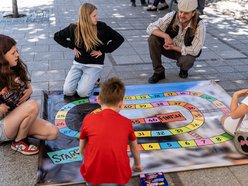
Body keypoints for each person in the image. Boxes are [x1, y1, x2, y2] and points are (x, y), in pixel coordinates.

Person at [0, 34, 59, 155]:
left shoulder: (15, 67)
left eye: (17, 51)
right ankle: (19, 142)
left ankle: (18, 134)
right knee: (33, 105)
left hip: (18, 118)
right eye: (13, 53)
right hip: (3, 125)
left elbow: (25, 82)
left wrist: (30, 89)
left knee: (53, 132)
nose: (17, 55)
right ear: (2, 57)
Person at [79, 77, 143, 185]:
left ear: (98, 99)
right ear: (121, 104)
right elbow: (134, 148)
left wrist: (90, 160)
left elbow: (81, 149)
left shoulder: (89, 119)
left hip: (92, 176)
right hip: (119, 176)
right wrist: (137, 164)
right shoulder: (126, 122)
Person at [54, 3, 124, 98]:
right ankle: (85, 78)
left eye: (96, 15)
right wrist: (72, 46)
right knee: (67, 91)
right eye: (94, 16)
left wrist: (102, 50)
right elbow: (57, 36)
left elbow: (119, 39)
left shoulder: (101, 27)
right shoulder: (74, 28)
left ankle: (95, 78)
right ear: (86, 17)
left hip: (94, 65)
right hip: (78, 64)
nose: (97, 18)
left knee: (82, 93)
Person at [146, 0, 206, 83]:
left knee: (187, 60)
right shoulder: (172, 16)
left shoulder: (200, 25)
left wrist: (174, 47)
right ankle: (158, 72)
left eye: (186, 13)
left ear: (193, 13)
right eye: (180, 12)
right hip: (167, 48)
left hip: (184, 52)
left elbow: (195, 51)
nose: (182, 15)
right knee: (153, 39)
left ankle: (184, 69)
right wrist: (166, 36)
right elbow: (150, 28)